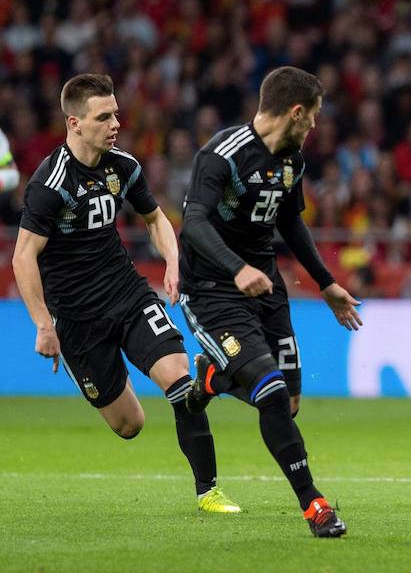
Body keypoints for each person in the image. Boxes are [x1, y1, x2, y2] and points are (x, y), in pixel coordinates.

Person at [12, 73, 240, 513]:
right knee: (129, 425)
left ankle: (209, 491)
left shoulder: (124, 166)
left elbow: (155, 220)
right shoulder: (51, 184)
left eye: (116, 112)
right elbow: (23, 257)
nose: (115, 122)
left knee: (178, 381)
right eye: (103, 116)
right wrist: (43, 324)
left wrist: (174, 263)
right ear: (74, 123)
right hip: (77, 320)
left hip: (128, 296)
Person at [178, 66, 362, 538]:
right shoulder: (222, 155)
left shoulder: (291, 161)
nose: (315, 127)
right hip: (214, 290)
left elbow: (292, 224)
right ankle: (314, 505)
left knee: (289, 401)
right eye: (314, 117)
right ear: (296, 112)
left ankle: (215, 380)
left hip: (266, 288)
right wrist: (236, 268)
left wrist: (325, 283)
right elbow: (194, 223)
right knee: (273, 392)